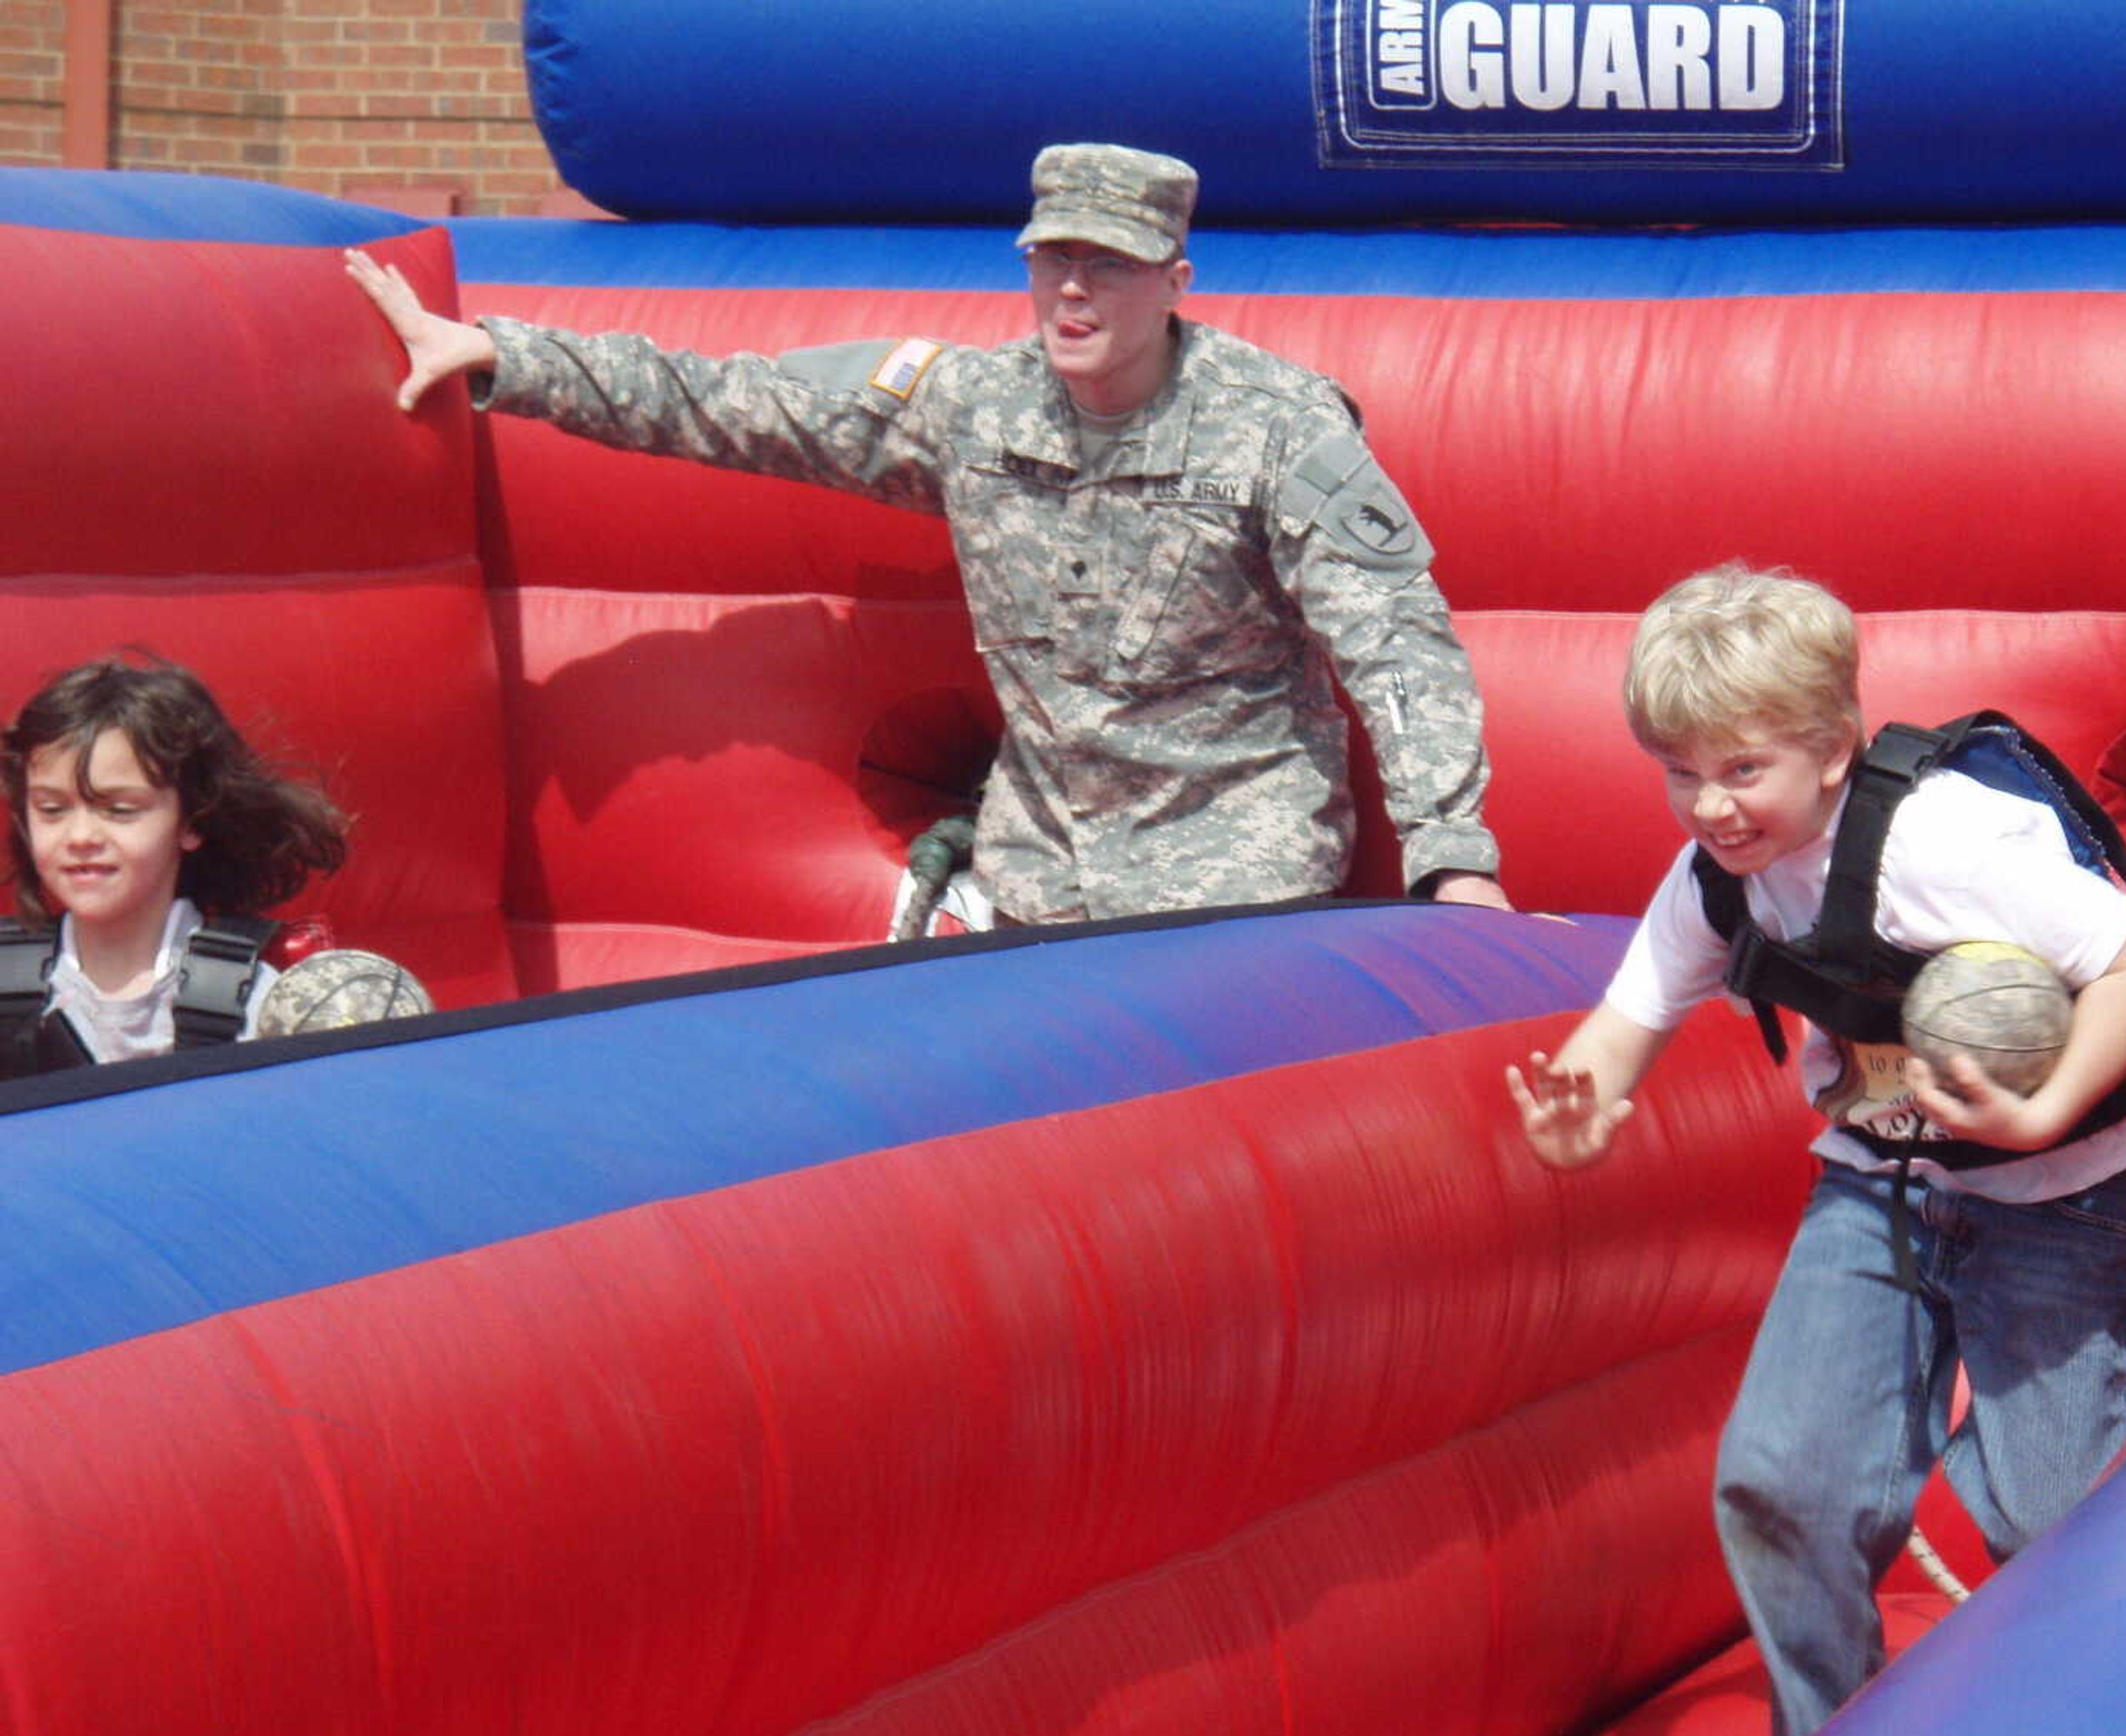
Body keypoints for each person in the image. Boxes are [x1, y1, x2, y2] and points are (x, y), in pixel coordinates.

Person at [345, 143, 1509, 926]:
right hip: (1038, 871)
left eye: (1108, 266)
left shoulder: (1272, 425)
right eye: (1053, 260)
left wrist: (1452, 852)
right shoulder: (976, 406)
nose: (1073, 293)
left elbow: (1394, 637)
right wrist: (509, 357)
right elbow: (735, 406)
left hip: (1231, 881)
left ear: (1176, 282)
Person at [1504, 565, 2126, 1736]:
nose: (1710, 806)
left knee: (2046, 1518)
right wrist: (1584, 1110)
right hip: (1878, 1187)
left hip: (2055, 1200)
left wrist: (2043, 1112)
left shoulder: (1947, 845)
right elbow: (1631, 1019)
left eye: (1741, 769)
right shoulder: (1725, 874)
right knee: (1782, 1484)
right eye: (1681, 773)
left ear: (1831, 749)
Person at [1, 657, 350, 1069]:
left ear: (192, 820)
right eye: (52, 809)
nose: (80, 837)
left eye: (120, 810)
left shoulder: (260, 1004)